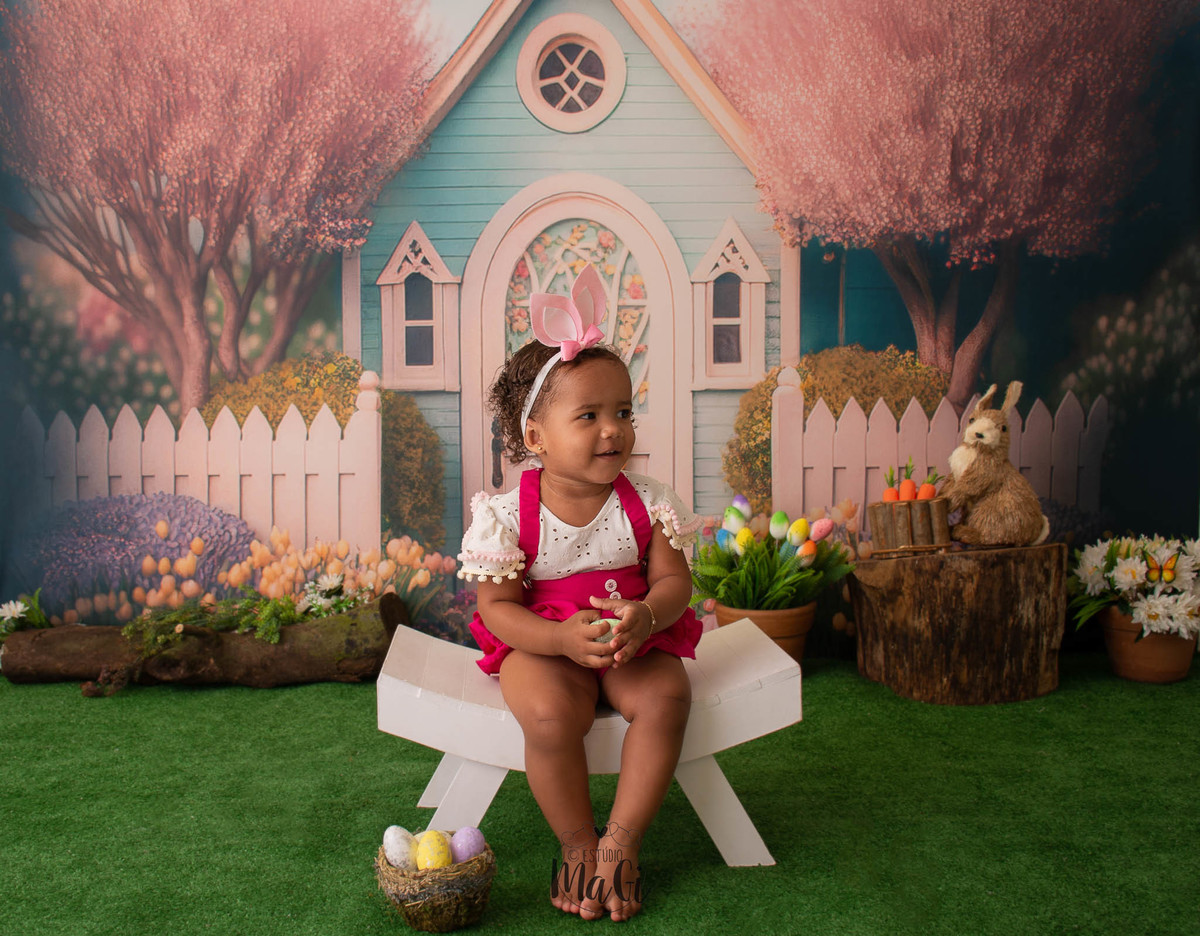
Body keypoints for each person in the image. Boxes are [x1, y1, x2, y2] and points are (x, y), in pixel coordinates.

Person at [457, 264, 703, 922]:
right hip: (545, 643)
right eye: (588, 416)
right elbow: (497, 610)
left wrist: (647, 614)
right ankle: (576, 843)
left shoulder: (649, 502)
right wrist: (558, 639)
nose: (612, 429)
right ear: (536, 437)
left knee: (667, 698)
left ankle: (620, 842)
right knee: (547, 716)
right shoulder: (507, 515)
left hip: (630, 640)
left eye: (623, 412)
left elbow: (675, 582)